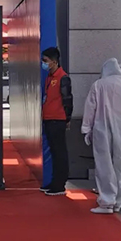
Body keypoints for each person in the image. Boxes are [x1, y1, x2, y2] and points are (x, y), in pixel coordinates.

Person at [82, 59, 121, 214]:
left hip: (101, 129)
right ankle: (119, 200)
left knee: (104, 165)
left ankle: (107, 202)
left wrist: (86, 128)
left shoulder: (98, 85)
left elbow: (90, 108)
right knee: (120, 165)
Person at [40, 46, 73, 196]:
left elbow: (68, 99)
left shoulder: (62, 78)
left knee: (60, 153)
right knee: (54, 152)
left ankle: (60, 185)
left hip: (57, 120)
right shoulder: (50, 77)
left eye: (45, 60)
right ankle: (55, 181)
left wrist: (67, 118)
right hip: (48, 118)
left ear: (54, 61)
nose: (43, 63)